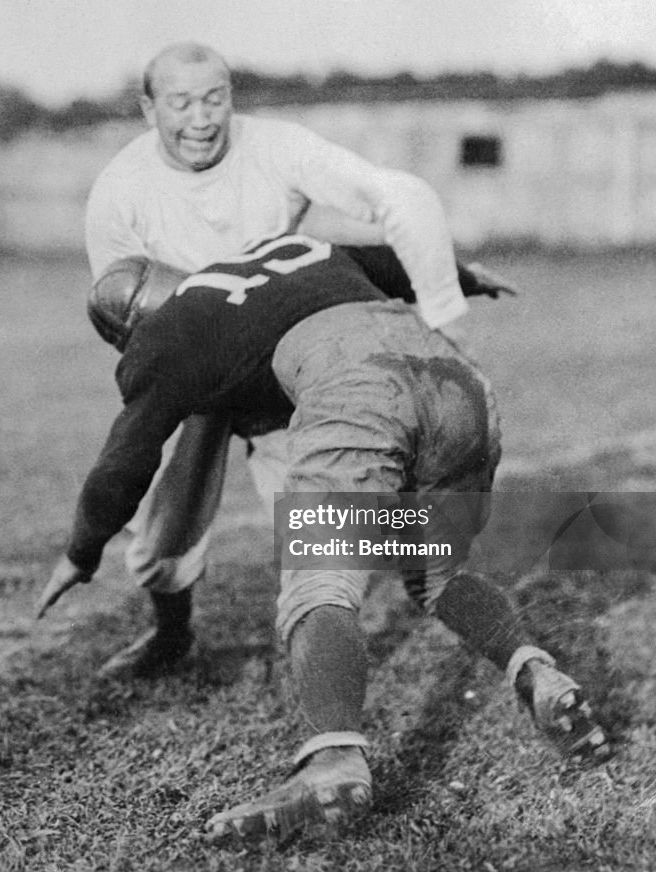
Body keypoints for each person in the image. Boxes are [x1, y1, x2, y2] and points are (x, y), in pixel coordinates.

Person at [37, 234, 610, 845]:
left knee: (318, 582)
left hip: (356, 389)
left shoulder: (164, 337)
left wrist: (81, 551)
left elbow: (122, 467)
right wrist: (467, 275)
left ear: (129, 329)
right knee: (435, 569)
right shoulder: (283, 252)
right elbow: (391, 259)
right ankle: (536, 671)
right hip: (457, 382)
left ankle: (332, 763)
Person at [84, 40, 473, 676]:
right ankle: (170, 636)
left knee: (330, 512)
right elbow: (124, 321)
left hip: (283, 357)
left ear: (232, 96)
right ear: (147, 108)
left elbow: (373, 216)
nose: (202, 118)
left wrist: (447, 283)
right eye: (181, 103)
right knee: (161, 531)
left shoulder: (278, 147)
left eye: (215, 98)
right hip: (195, 369)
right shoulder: (118, 194)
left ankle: (407, 589)